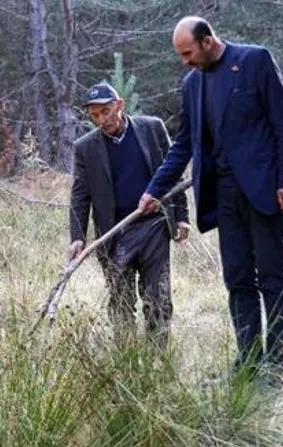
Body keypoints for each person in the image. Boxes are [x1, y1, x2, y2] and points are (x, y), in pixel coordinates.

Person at [138, 17, 283, 373]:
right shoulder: (191, 84)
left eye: (188, 52)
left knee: (272, 275)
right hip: (222, 194)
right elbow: (183, 145)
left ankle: (279, 360)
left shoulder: (255, 60)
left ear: (208, 40)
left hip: (264, 190)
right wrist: (154, 191)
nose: (185, 61)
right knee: (237, 278)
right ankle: (248, 359)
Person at [69, 82, 191, 350]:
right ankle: (126, 360)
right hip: (113, 236)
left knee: (157, 298)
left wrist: (181, 216)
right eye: (95, 115)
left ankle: (157, 359)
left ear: (120, 105)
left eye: (106, 111)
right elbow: (80, 195)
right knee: (121, 302)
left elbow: (174, 175)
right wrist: (77, 237)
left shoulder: (151, 128)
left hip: (154, 227)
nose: (101, 119)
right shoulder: (86, 148)